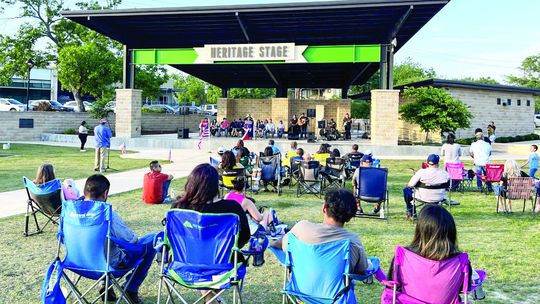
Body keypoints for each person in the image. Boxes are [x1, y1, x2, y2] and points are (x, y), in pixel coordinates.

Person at [172, 164, 250, 304]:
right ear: (215, 185)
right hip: (223, 267)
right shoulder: (232, 208)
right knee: (212, 259)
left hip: (185, 265)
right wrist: (224, 247)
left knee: (202, 257)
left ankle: (210, 298)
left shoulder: (179, 208)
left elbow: (174, 238)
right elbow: (244, 236)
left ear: (191, 183)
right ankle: (211, 299)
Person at [384, 204, 485, 303]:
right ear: (451, 232)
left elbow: (391, 287)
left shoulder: (402, 256)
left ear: (419, 230)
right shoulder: (461, 262)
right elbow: (463, 288)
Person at [82, 174, 156, 304]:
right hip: (108, 266)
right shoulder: (106, 214)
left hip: (79, 264)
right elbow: (131, 241)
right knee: (153, 240)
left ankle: (106, 285)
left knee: (106, 247)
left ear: (84, 192)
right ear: (105, 194)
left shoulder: (69, 213)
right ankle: (131, 288)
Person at [272, 189, 369, 275]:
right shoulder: (353, 241)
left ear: (324, 208)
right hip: (335, 294)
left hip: (300, 290)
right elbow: (362, 270)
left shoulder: (301, 228)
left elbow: (279, 244)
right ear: (350, 217)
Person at [403, 154, 450, 220]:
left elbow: (410, 185)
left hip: (423, 197)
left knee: (406, 190)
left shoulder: (421, 172)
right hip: (439, 197)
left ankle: (411, 213)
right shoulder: (445, 174)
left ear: (427, 163)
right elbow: (449, 187)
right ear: (438, 163)